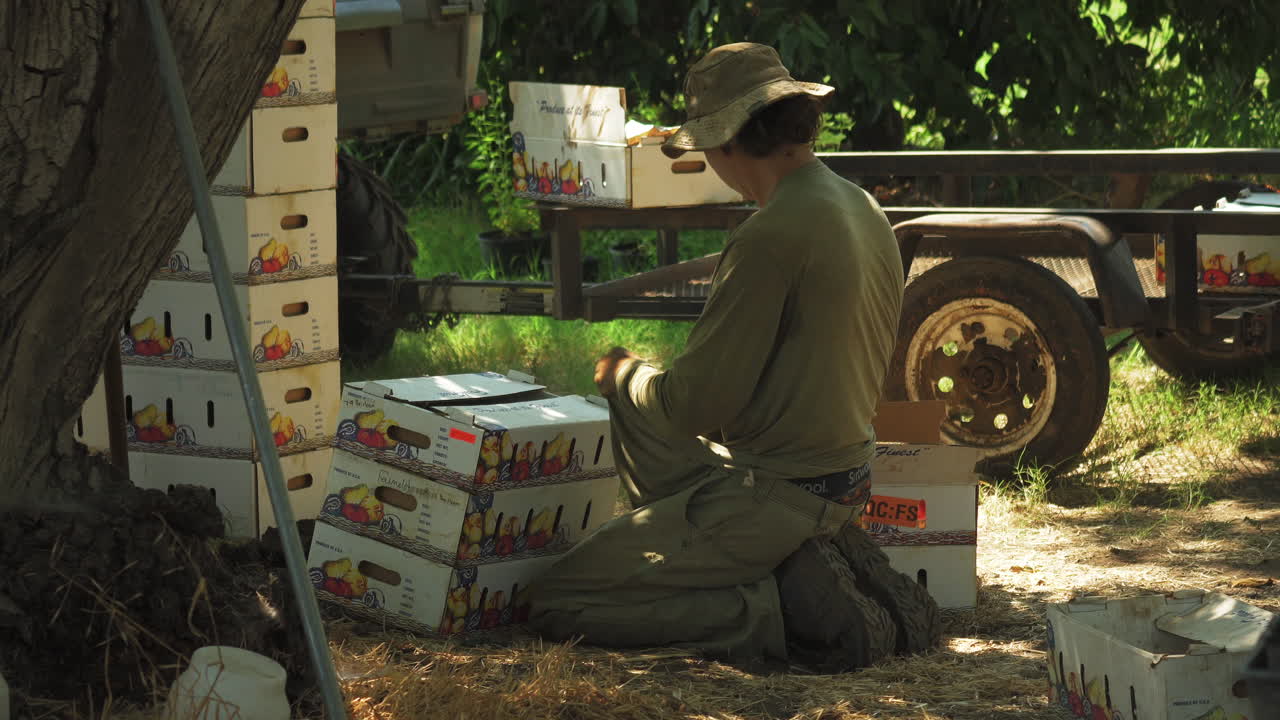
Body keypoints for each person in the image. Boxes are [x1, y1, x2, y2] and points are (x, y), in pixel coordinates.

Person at [526, 42, 937, 669]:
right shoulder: (861, 204)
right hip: (844, 473)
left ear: (725, 146)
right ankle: (779, 558)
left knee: (556, 600)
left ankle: (774, 607)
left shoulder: (770, 235)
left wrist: (624, 373)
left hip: (777, 493)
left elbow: (698, 403)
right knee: (638, 404)